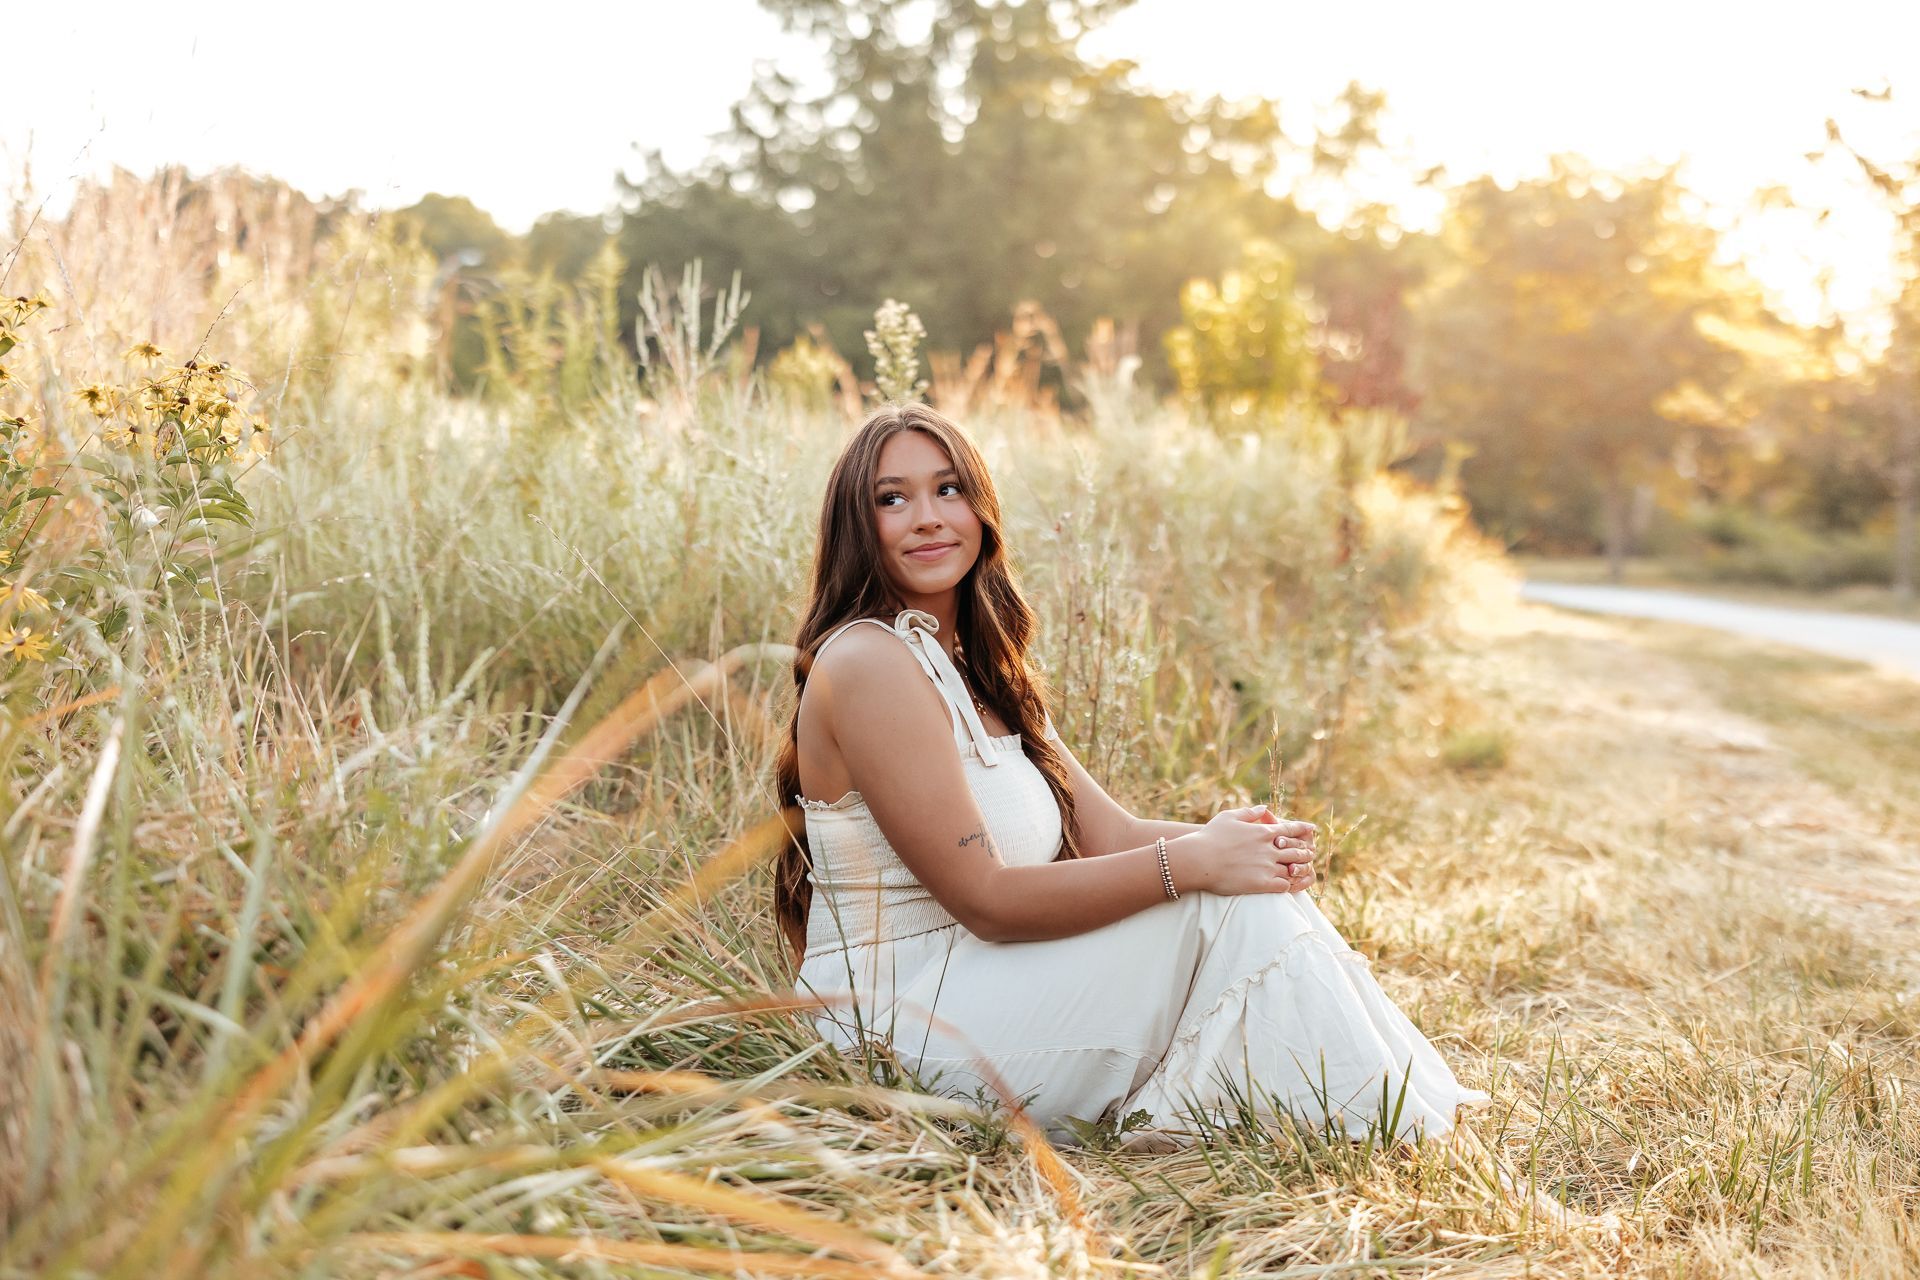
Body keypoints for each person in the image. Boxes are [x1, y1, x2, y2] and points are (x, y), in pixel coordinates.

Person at [773, 402, 1488, 1150]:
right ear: (859, 525)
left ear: (981, 511)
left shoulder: (974, 668)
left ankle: (1396, 1115)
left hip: (979, 987)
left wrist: (1238, 845)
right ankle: (1394, 1131)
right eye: (893, 498)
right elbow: (985, 900)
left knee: (1242, 893)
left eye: (948, 489)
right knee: (1216, 900)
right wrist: (1195, 862)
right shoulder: (867, 662)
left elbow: (1110, 834)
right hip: (894, 1033)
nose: (927, 517)